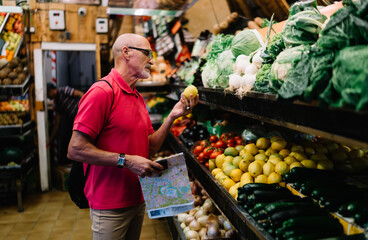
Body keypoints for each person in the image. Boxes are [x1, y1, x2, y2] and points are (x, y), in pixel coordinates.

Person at [67, 33, 198, 240]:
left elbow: (150, 148)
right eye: (147, 53)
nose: (152, 60)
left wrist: (172, 115)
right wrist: (126, 161)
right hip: (109, 204)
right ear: (126, 52)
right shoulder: (101, 92)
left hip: (137, 198)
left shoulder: (136, 96)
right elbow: (75, 149)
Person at [46, 82, 84, 148]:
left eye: (48, 95)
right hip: (78, 121)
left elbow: (81, 94)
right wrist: (50, 140)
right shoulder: (57, 104)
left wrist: (85, 110)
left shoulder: (63, 90)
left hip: (83, 114)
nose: (49, 98)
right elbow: (57, 124)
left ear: (50, 91)